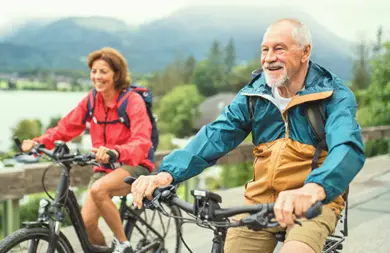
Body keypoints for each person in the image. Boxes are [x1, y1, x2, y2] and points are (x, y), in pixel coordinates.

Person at [130, 18, 366, 253]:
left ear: (305, 52)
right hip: (259, 202)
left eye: (279, 49)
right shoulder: (255, 95)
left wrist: (315, 188)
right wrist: (166, 174)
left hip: (311, 203)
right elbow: (215, 135)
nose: (269, 57)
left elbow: (347, 147)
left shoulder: (333, 94)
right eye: (265, 50)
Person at [22, 47, 154, 253]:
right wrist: (38, 143)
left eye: (103, 71)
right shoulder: (92, 100)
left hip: (134, 165)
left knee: (98, 189)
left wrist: (116, 152)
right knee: (87, 225)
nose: (97, 77)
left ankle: (124, 244)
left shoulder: (131, 101)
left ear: (116, 74)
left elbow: (142, 141)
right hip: (104, 169)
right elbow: (67, 127)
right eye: (94, 71)